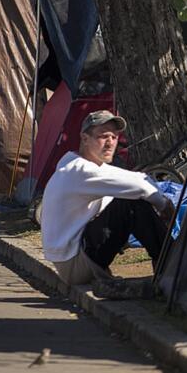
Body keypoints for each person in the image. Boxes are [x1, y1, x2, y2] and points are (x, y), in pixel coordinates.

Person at [40, 110, 174, 286]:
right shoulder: (81, 171)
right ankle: (171, 264)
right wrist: (165, 206)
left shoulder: (83, 164)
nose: (110, 143)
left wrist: (157, 199)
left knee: (128, 197)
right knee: (129, 203)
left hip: (73, 256)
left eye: (114, 137)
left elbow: (138, 178)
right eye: (103, 137)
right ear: (85, 138)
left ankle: (168, 261)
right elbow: (140, 186)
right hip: (74, 264)